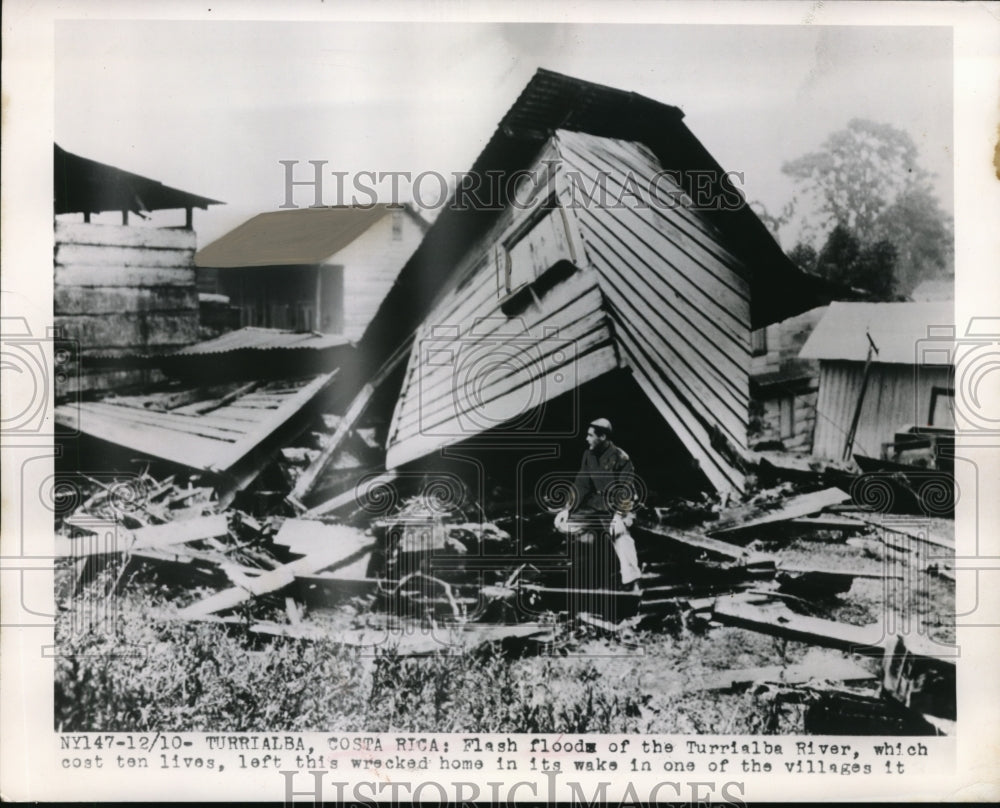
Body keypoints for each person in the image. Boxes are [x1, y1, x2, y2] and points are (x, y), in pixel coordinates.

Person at [554, 418, 642, 589]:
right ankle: (590, 559)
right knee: (562, 524)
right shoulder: (589, 455)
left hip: (619, 507)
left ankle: (632, 581)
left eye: (590, 435)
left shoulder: (621, 458)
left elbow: (626, 490)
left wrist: (618, 517)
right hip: (596, 506)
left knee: (621, 536)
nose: (586, 439)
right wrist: (567, 509)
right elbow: (581, 484)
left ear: (602, 437)